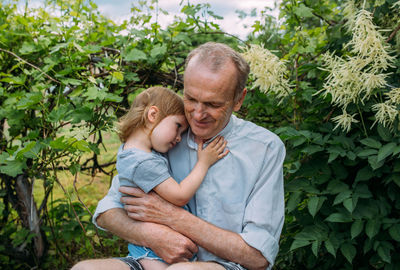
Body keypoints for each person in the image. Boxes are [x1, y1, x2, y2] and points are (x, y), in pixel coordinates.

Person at [72, 42, 285, 270]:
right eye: (191, 99)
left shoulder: (265, 148)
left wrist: (173, 217)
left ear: (238, 100)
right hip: (153, 260)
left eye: (213, 104)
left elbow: (259, 257)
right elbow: (107, 212)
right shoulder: (164, 136)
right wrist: (153, 236)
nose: (198, 114)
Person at [114, 86, 229, 269]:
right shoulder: (142, 162)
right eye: (177, 127)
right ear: (152, 115)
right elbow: (179, 195)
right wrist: (204, 163)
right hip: (154, 255)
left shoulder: (133, 152)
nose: (178, 139)